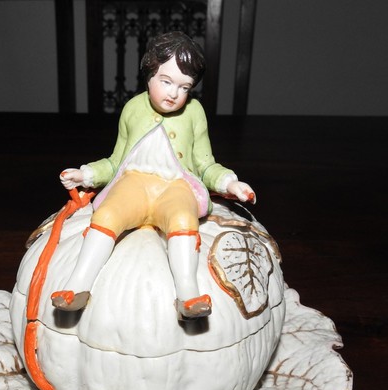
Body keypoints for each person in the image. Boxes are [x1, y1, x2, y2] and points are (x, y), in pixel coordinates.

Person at [53, 31, 255, 319]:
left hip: (175, 187)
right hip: (134, 183)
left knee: (183, 219)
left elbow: (205, 164)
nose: (173, 94)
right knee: (107, 214)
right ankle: (77, 286)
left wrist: (229, 182)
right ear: (148, 75)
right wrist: (85, 174)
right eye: (166, 81)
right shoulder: (133, 108)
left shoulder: (195, 113)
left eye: (184, 87)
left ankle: (188, 294)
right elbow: (115, 161)